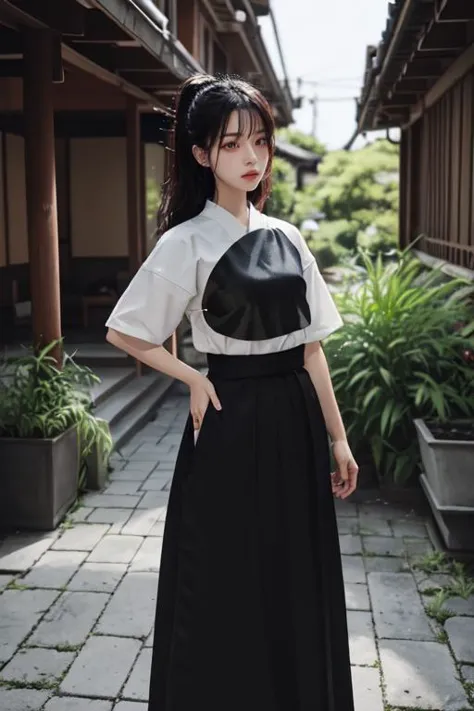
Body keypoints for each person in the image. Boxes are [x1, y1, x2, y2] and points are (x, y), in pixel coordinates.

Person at [105, 73, 358, 711]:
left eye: (260, 142)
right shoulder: (185, 242)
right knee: (224, 577)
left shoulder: (289, 236)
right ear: (201, 154)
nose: (252, 157)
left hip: (294, 417)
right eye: (233, 144)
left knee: (293, 575)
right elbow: (126, 331)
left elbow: (311, 346)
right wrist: (193, 376)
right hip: (229, 415)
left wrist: (339, 437)